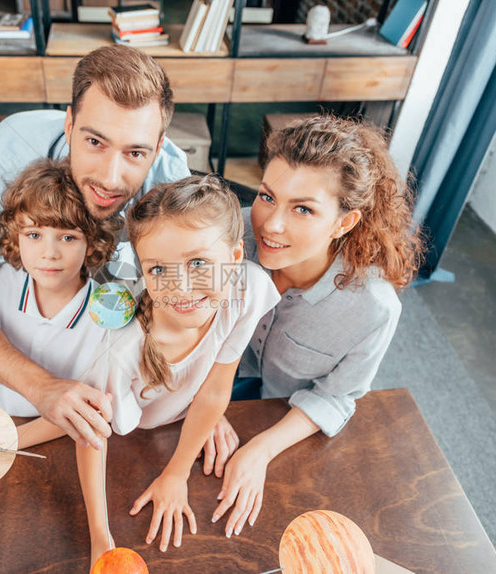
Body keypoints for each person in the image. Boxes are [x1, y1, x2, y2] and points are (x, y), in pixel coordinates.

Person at [0, 45, 191, 451]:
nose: (110, 178)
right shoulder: (8, 150)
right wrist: (42, 387)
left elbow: (188, 299)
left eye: (135, 153)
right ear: (70, 124)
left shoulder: (172, 180)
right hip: (18, 325)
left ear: (157, 149)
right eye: (95, 142)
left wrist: (205, 400)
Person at [14, 175, 281, 566]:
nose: (182, 288)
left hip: (181, 409)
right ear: (143, 269)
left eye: (199, 262)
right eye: (158, 270)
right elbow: (91, 433)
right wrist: (101, 538)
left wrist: (177, 473)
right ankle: (8, 439)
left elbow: (214, 389)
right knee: (69, 414)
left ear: (236, 257)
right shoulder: (123, 351)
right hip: (118, 415)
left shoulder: (247, 289)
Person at [209, 115, 424, 538]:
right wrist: (207, 405)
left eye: (303, 209)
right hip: (210, 385)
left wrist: (260, 451)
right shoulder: (227, 236)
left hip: (281, 410)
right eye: (268, 196)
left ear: (344, 223)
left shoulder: (374, 309)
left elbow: (336, 396)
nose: (270, 224)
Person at [0, 159, 120, 447]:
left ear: (91, 242)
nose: (48, 253)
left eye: (67, 237)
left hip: (63, 435)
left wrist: (9, 441)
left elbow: (95, 409)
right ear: (16, 235)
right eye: (34, 235)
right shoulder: (0, 282)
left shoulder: (106, 313)